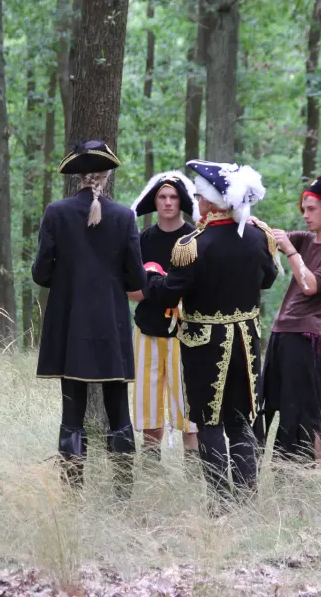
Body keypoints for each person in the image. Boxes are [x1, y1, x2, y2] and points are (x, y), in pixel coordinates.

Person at [130, 159, 280, 511]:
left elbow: (168, 294)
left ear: (212, 202)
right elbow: (269, 278)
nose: (195, 203)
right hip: (246, 343)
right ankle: (246, 498)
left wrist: (150, 276)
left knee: (209, 422)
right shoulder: (258, 236)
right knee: (241, 421)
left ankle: (220, 502)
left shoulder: (192, 245)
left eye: (198, 198)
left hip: (205, 347)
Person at [32, 140, 146, 498]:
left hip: (70, 325)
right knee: (119, 410)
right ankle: (123, 493)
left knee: (72, 413)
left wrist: (67, 276)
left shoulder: (56, 212)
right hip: (111, 325)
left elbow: (40, 273)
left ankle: (72, 493)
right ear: (107, 175)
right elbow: (137, 279)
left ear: (79, 177)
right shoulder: (125, 217)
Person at [259, 174, 321, 464]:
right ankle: (269, 471)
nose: (305, 215)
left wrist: (290, 250)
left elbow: (310, 285)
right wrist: (252, 224)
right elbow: (269, 237)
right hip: (281, 334)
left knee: (303, 413)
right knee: (266, 406)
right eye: (303, 209)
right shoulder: (305, 239)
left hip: (307, 340)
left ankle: (313, 475)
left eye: (312, 209)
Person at [129, 171, 199, 465]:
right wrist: (161, 287)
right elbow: (133, 292)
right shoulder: (142, 240)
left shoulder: (196, 238)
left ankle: (194, 475)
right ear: (154, 201)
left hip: (187, 335)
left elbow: (200, 289)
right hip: (147, 331)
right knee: (148, 409)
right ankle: (151, 476)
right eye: (162, 197)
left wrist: (158, 287)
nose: (168, 202)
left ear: (182, 201)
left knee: (189, 411)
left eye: (173, 197)